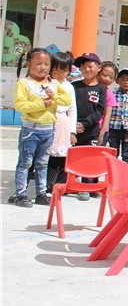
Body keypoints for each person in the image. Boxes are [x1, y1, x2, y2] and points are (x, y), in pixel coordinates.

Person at [10, 48, 71, 207]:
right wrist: (41, 104)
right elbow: (20, 105)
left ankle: (41, 193)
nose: (43, 67)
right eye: (38, 63)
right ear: (29, 64)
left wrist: (54, 96)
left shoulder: (53, 83)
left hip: (48, 130)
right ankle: (21, 194)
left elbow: (67, 100)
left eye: (46, 64)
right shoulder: (24, 83)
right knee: (25, 163)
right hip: (30, 130)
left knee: (43, 163)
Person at [71, 52, 106, 200]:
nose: (87, 69)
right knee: (73, 158)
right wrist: (74, 125)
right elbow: (69, 107)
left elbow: (100, 110)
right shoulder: (74, 86)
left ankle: (87, 187)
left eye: (90, 66)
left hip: (91, 130)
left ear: (99, 68)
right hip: (73, 129)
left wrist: (85, 124)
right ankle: (71, 185)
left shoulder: (101, 89)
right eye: (83, 67)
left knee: (89, 159)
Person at [46, 51, 76, 193]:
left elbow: (72, 110)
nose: (59, 74)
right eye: (56, 70)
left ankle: (55, 185)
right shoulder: (46, 83)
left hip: (62, 123)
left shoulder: (69, 87)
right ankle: (43, 184)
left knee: (59, 156)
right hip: (46, 120)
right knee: (44, 155)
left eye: (63, 70)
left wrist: (72, 131)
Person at [107, 67, 128, 171]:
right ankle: (113, 175)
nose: (126, 82)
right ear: (117, 81)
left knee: (127, 154)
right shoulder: (112, 95)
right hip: (114, 128)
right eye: (122, 79)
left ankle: (126, 176)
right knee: (113, 153)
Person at [96, 61, 118, 147]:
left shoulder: (109, 95)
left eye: (111, 77)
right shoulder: (89, 88)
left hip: (100, 130)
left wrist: (101, 134)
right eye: (105, 75)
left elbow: (107, 116)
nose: (107, 79)